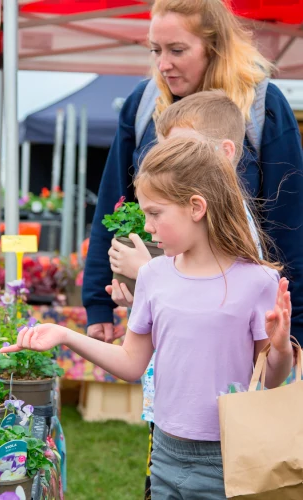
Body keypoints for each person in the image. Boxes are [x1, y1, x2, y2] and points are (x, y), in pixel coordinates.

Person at [2, 136, 295, 499]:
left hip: (230, 458)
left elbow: (270, 380)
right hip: (164, 453)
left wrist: (281, 348)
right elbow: (131, 363)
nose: (148, 226)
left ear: (196, 207)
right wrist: (64, 335)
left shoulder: (258, 281)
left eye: (155, 213)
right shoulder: (153, 276)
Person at [82, 0, 303, 345]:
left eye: (177, 50)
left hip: (239, 320)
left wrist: (295, 328)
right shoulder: (143, 104)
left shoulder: (263, 106)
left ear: (214, 47)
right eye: (155, 50)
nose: (163, 64)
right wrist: (99, 302)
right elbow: (113, 200)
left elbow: (290, 224)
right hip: (162, 312)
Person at [105, 90, 263, 500]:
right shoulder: (172, 257)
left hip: (217, 439)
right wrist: (148, 293)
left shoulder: (245, 256)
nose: (169, 159)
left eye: (182, 148)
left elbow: (224, 305)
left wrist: (148, 274)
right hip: (173, 427)